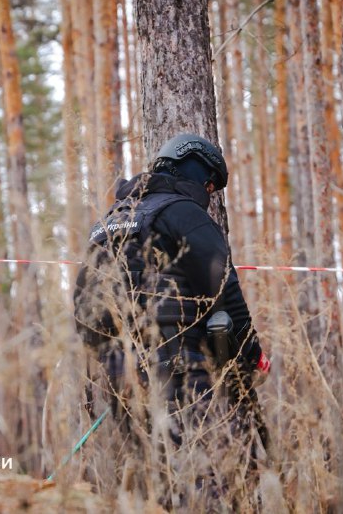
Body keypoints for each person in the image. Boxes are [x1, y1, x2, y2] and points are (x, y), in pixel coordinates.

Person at [73, 133, 270, 451]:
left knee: (143, 479)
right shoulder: (184, 213)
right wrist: (253, 356)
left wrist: (113, 361)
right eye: (209, 186)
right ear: (193, 170)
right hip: (178, 371)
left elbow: (82, 308)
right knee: (200, 477)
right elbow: (224, 288)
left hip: (112, 377)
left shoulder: (108, 222)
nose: (209, 195)